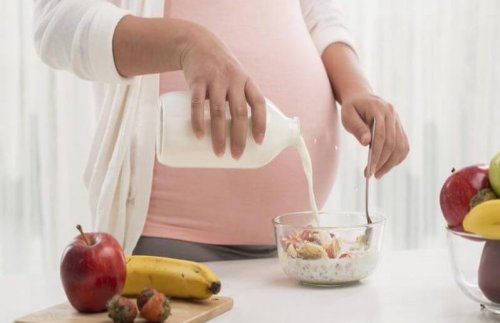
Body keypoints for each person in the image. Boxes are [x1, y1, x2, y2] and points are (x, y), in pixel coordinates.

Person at [33, 0, 409, 261]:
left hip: (297, 246)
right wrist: (187, 43)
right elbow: (57, 21)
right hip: (173, 241)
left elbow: (318, 13)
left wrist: (356, 88)